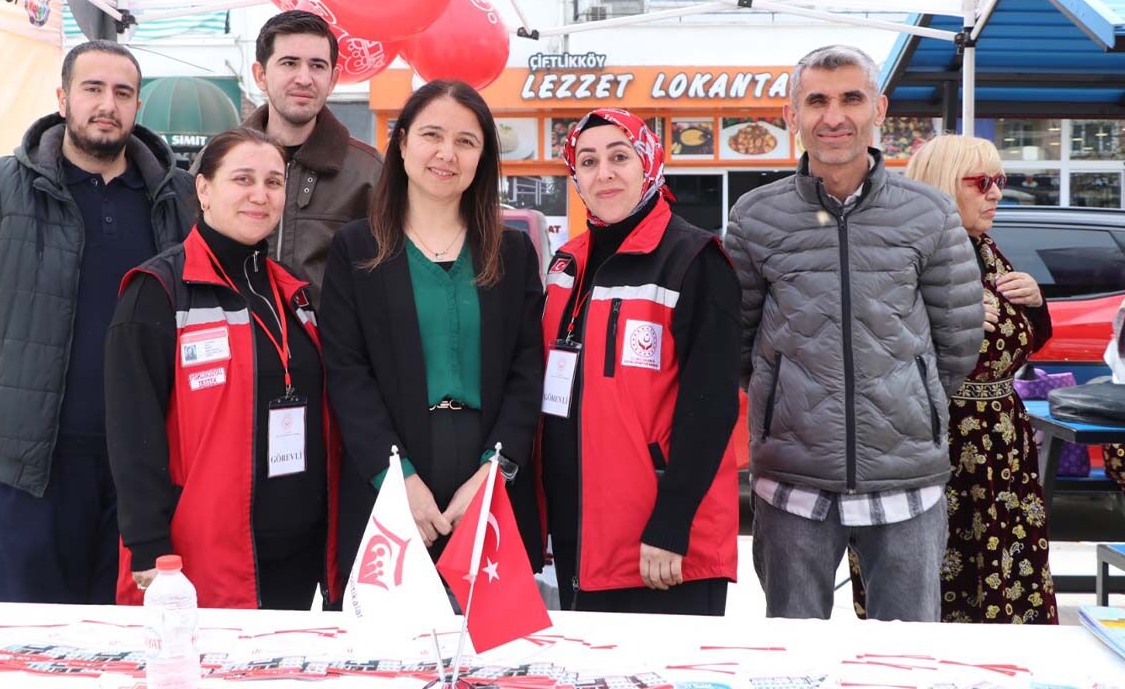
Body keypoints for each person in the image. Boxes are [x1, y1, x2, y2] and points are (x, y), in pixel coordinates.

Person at [0, 40, 198, 603]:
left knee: (121, 642)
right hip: (29, 465)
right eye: (92, 89)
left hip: (141, 468)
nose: (107, 104)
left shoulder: (173, 198)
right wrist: (13, 364)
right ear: (63, 98)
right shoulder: (6, 187)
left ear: (137, 106)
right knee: (25, 638)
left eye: (122, 93)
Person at [723, 45, 984, 622]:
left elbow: (958, 340)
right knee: (793, 653)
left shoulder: (931, 213)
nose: (833, 116)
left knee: (907, 654)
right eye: (816, 100)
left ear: (879, 109)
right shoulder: (753, 216)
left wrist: (904, 394)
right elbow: (739, 342)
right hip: (793, 476)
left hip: (905, 473)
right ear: (793, 116)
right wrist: (790, 395)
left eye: (851, 98)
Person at [319, 80, 544, 586]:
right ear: (401, 145)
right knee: (388, 658)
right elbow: (347, 373)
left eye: (466, 141)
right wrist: (397, 479)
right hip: (390, 473)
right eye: (432, 135)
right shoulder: (356, 250)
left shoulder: (511, 254)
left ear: (483, 158)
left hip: (487, 472)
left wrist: (495, 472)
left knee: (493, 656)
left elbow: (527, 371)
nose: (447, 153)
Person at [105, 127, 339, 610]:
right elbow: (132, 434)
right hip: (201, 555)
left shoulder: (293, 295)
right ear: (204, 189)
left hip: (296, 551)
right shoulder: (159, 290)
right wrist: (147, 547)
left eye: (274, 182)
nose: (260, 195)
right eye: (243, 179)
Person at [842, 135, 1057, 624]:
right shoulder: (907, 256)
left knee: (1007, 582)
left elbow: (1013, 348)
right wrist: (931, 318)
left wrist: (1036, 306)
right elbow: (868, 346)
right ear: (942, 184)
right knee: (930, 585)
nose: (996, 193)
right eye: (982, 182)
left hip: (1000, 447)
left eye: (1001, 181)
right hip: (934, 445)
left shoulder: (986, 251)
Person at [539, 108, 741, 615]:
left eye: (618, 157)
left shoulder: (694, 260)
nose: (603, 173)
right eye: (587, 161)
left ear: (648, 162)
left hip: (661, 546)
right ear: (575, 177)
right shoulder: (567, 263)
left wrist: (671, 524)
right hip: (580, 534)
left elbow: (712, 406)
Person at [202, 9, 382, 300]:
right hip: (233, 337)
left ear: (333, 78)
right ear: (260, 74)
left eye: (317, 66)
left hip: (327, 343)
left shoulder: (368, 172)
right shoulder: (217, 161)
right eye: (289, 63)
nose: (304, 78)